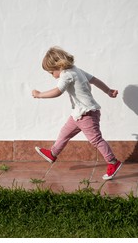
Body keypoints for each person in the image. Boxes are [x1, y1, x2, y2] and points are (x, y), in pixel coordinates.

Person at [32, 46, 122, 180]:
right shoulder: (76, 69)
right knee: (64, 133)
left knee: (96, 140)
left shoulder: (66, 74)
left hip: (87, 114)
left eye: (51, 72)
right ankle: (53, 153)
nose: (52, 76)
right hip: (78, 114)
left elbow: (57, 91)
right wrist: (108, 91)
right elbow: (95, 80)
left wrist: (39, 95)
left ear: (58, 65)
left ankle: (113, 162)